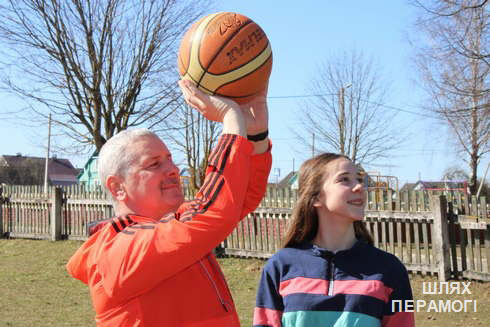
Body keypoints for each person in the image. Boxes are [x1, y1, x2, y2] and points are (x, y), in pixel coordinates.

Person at [66, 79, 272, 327]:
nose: (173, 169)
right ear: (117, 187)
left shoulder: (173, 224)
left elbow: (239, 198)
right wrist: (230, 118)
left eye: (170, 160)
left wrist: (257, 133)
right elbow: (214, 214)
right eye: (154, 164)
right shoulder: (118, 249)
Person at [253, 153, 415, 327]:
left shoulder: (391, 269)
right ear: (316, 197)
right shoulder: (279, 266)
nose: (359, 186)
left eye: (359, 179)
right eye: (345, 179)